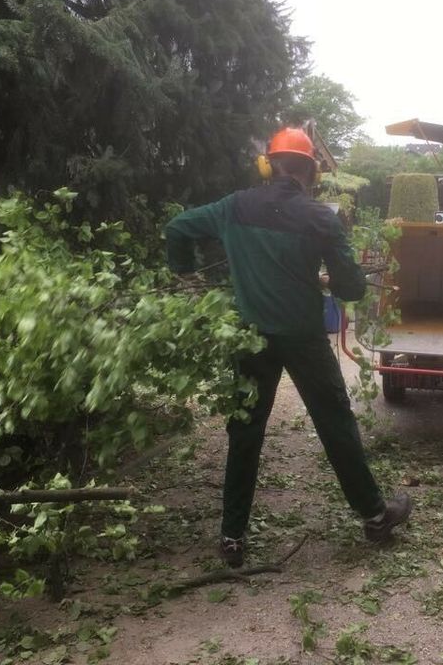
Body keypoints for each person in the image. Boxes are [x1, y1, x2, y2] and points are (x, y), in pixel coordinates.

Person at [166, 127, 411, 567]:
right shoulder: (320, 218)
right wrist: (333, 276)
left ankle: (232, 539)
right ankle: (375, 516)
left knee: (245, 431)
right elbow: (353, 288)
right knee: (334, 422)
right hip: (302, 339)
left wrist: (186, 274)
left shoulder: (234, 207)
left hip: (250, 338)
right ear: (311, 172)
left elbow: (177, 228)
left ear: (268, 164)